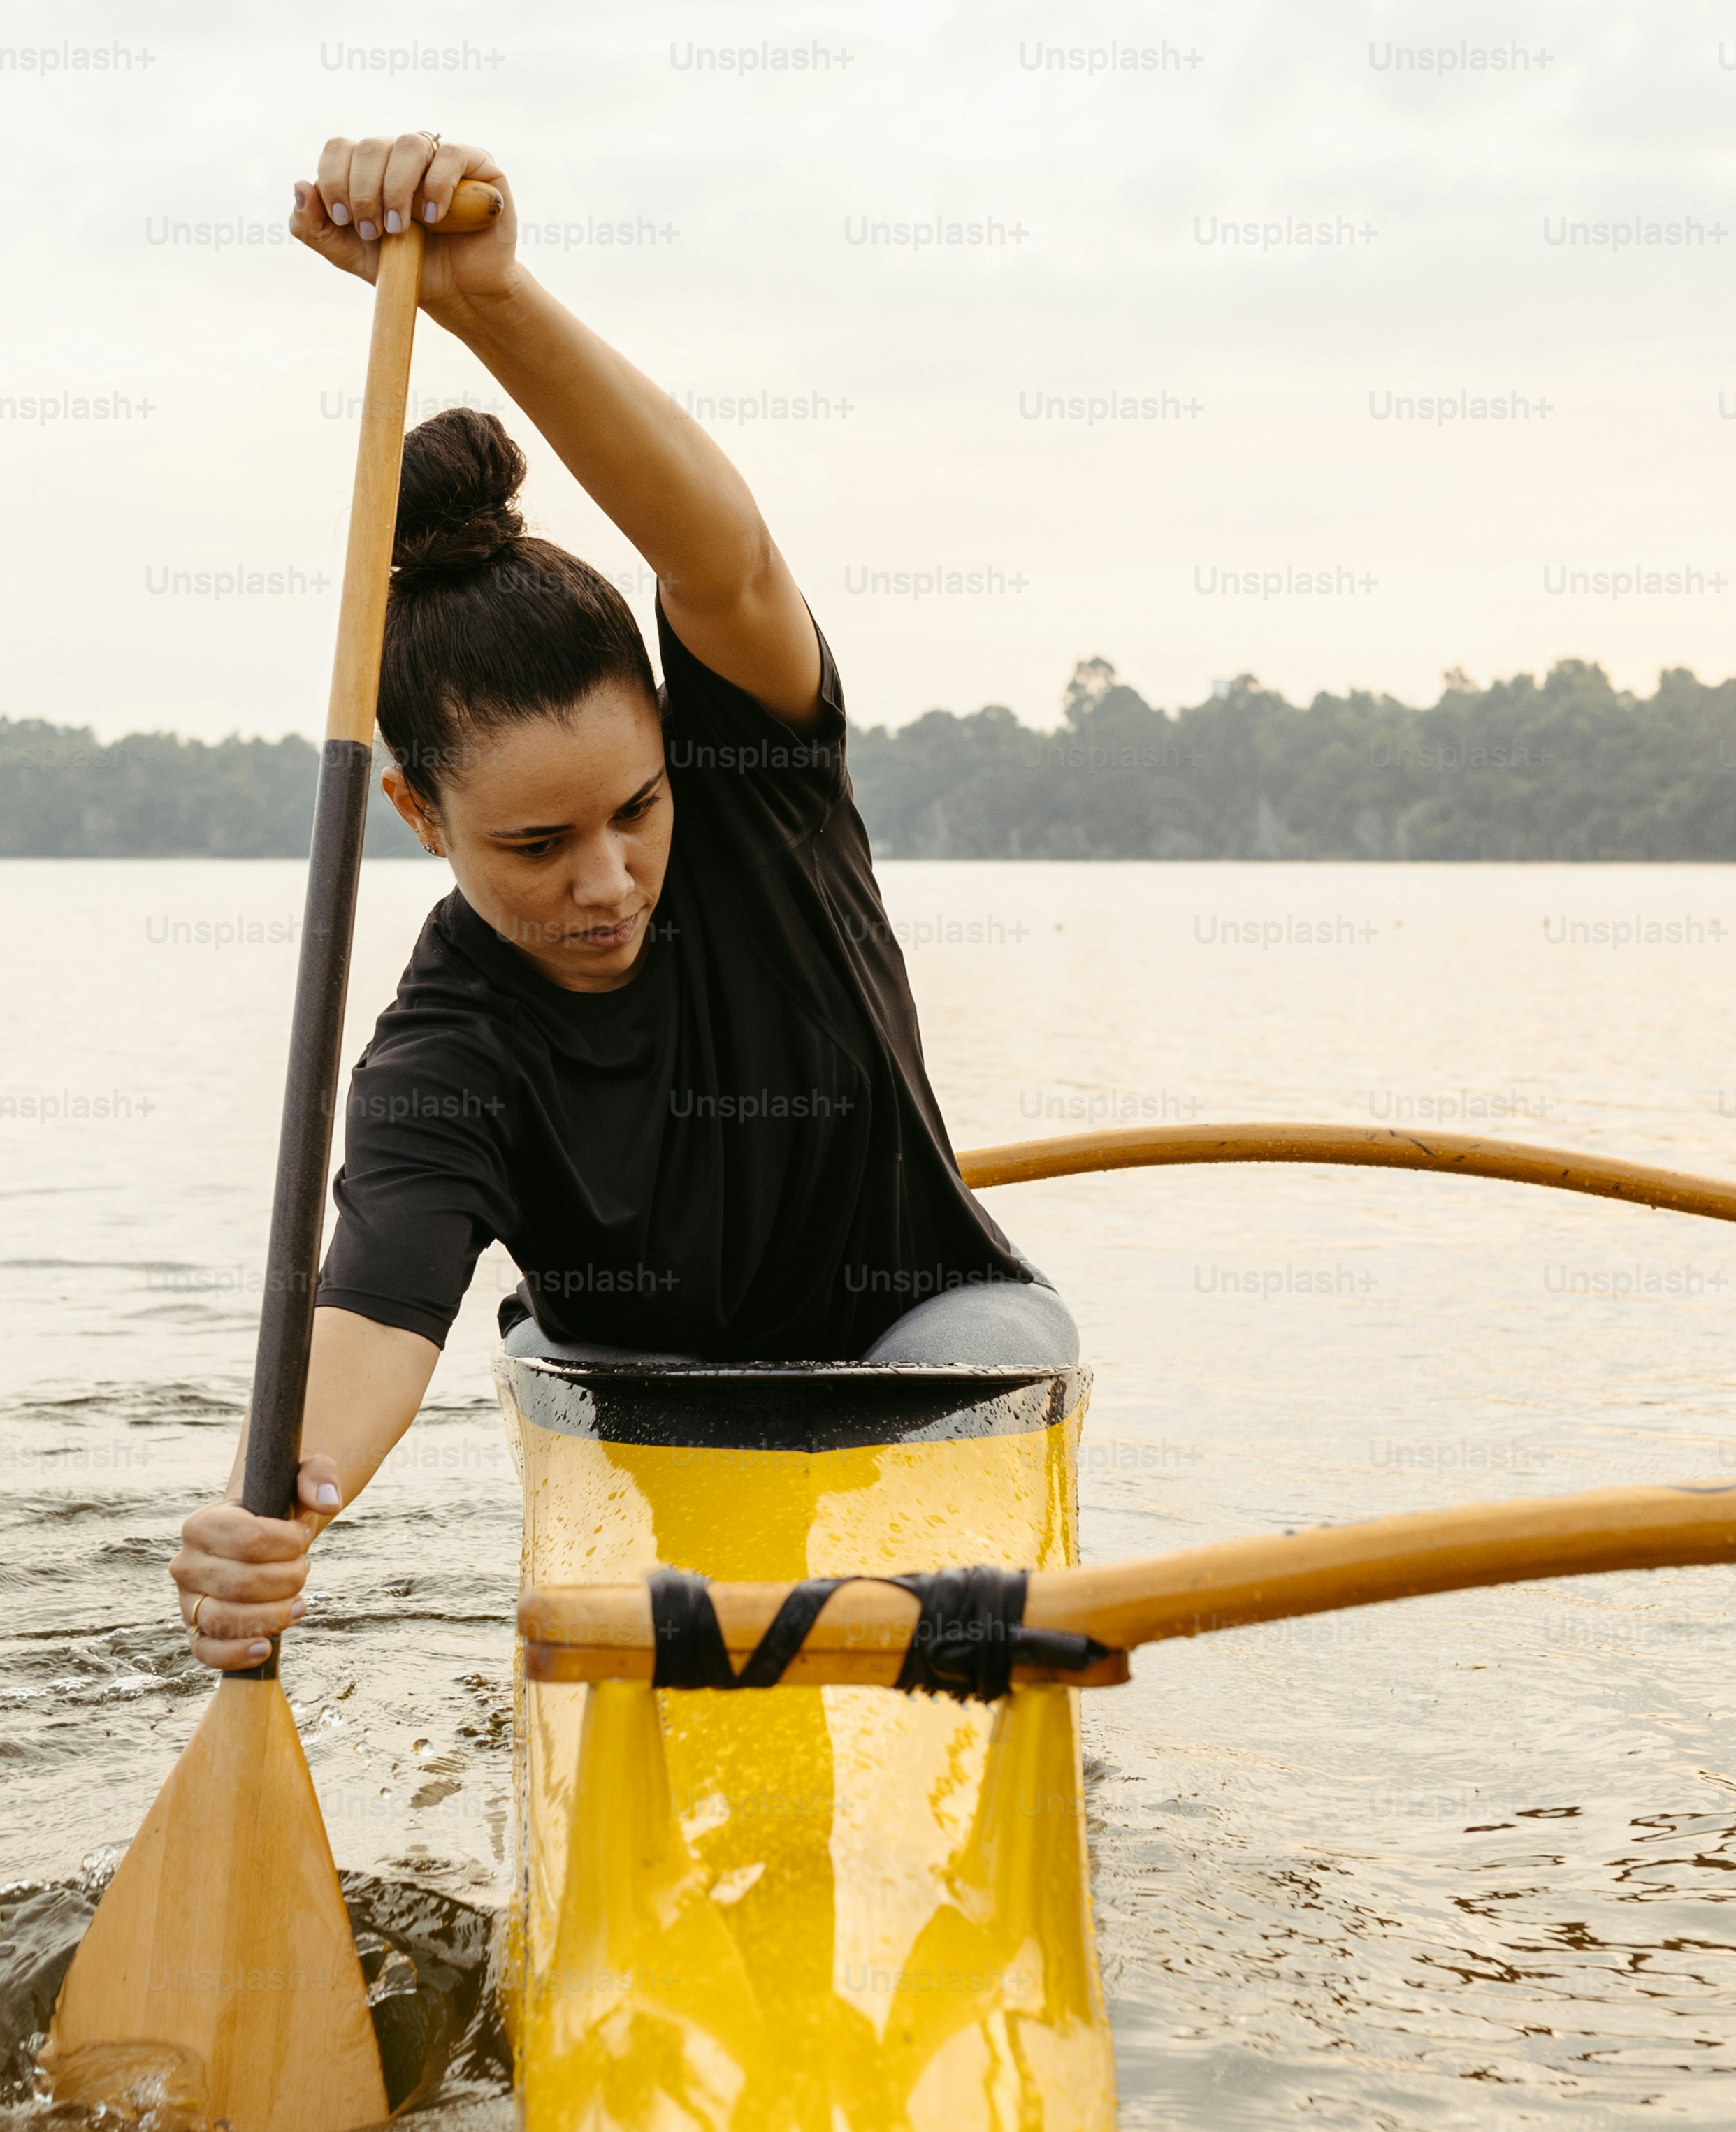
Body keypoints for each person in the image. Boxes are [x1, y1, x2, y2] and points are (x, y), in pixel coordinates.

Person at [169, 133, 1069, 1674]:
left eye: (636, 810)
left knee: (982, 1367)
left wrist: (494, 299)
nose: (607, 879)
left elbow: (724, 559)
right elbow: (380, 1309)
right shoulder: (440, 1053)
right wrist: (278, 1511)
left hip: (917, 1334)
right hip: (644, 1399)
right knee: (624, 1402)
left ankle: (950, 1710)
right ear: (417, 814)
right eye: (533, 845)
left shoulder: (756, 775)